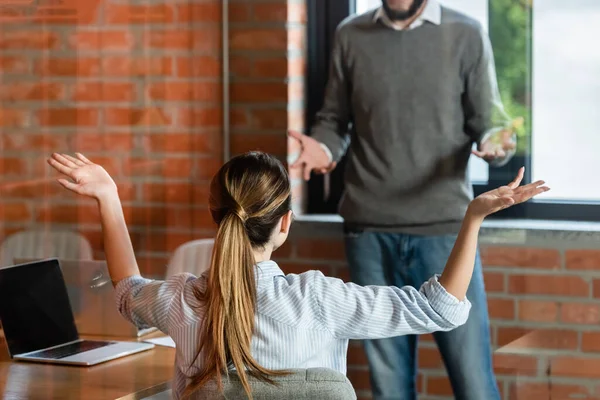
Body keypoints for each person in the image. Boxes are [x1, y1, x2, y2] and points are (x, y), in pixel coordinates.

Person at [47, 152, 547, 400]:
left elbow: (125, 290)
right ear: (284, 223)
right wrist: (474, 216)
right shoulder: (321, 300)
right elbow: (442, 308)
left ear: (215, 217)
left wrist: (108, 197)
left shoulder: (183, 301)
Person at [289, 0, 519, 398]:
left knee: (474, 382)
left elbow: (491, 121)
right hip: (369, 235)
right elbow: (334, 120)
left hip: (445, 233)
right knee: (389, 388)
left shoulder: (465, 33)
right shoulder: (350, 34)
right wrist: (323, 150)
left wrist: (496, 141)